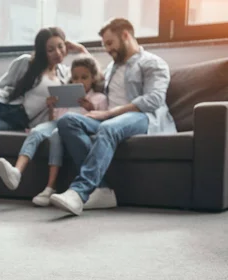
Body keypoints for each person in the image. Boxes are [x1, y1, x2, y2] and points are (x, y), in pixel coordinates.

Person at [49, 18, 177, 216]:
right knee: (67, 122)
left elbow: (155, 99)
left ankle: (78, 192)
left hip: (142, 117)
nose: (107, 49)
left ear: (126, 35)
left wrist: (109, 113)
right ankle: (102, 190)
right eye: (104, 45)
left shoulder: (152, 62)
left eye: (110, 43)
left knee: (107, 127)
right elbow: (90, 72)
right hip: (111, 118)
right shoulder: (111, 68)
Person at [0, 55, 108, 207]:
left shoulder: (99, 98)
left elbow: (101, 121)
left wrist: (90, 108)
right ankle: (17, 172)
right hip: (57, 122)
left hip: (75, 127)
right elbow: (53, 119)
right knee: (36, 131)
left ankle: (50, 188)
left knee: (56, 135)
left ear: (93, 78)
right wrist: (51, 107)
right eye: (75, 78)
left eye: (84, 77)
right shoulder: (66, 94)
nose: (79, 81)